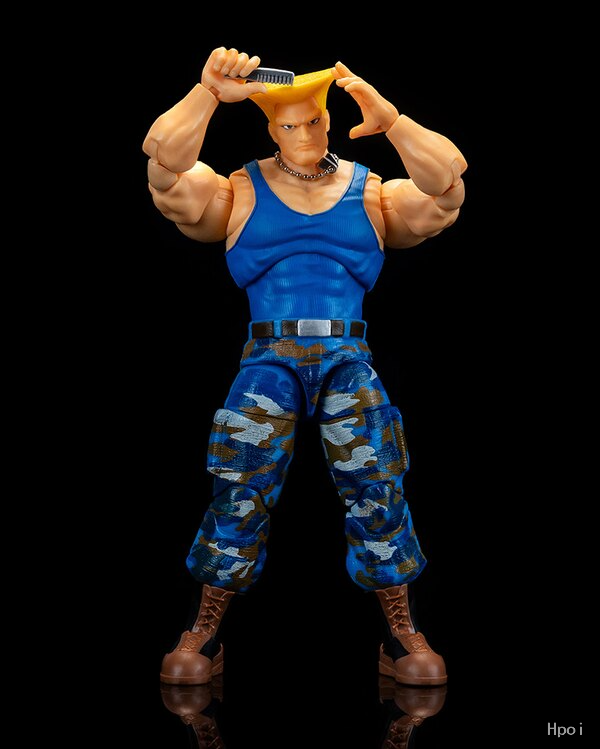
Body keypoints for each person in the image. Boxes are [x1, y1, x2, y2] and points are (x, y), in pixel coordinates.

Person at [143, 47, 467, 687]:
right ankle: (204, 628)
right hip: (270, 358)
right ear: (271, 127)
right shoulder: (236, 190)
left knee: (377, 483)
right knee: (240, 484)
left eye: (313, 121)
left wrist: (392, 120)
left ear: (327, 119)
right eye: (289, 124)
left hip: (348, 356)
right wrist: (207, 93)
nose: (304, 133)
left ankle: (402, 631)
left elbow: (447, 186)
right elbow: (164, 169)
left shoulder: (371, 192)